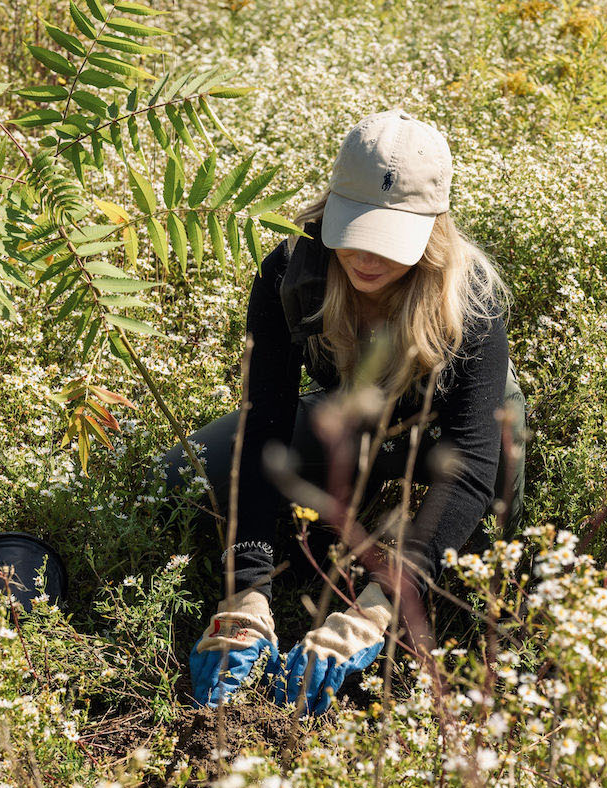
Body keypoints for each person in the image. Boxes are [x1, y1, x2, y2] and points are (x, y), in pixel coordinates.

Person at [150, 108, 528, 715]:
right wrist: (246, 586)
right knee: (177, 476)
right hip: (348, 417)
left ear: (433, 227)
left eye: (390, 238)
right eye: (354, 229)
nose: (367, 257)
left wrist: (382, 603)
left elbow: (474, 459)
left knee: (488, 514)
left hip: (446, 438)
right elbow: (265, 419)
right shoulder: (289, 272)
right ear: (331, 202)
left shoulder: (470, 296)